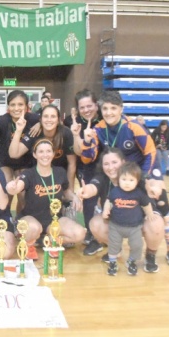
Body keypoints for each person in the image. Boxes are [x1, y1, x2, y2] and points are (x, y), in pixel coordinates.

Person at [76, 147, 169, 272]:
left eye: (114, 162)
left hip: (139, 224)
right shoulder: (102, 178)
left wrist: (155, 187)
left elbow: (151, 182)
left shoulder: (136, 176)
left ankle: (150, 255)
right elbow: (93, 186)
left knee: (156, 223)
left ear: (123, 162)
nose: (110, 167)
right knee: (95, 224)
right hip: (117, 225)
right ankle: (116, 249)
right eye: (106, 164)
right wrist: (86, 191)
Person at [6, 139, 84, 260]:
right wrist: (11, 188)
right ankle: (29, 244)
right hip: (31, 219)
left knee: (80, 233)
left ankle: (52, 240)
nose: (45, 155)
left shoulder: (60, 172)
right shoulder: (29, 173)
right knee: (34, 228)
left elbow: (66, 191)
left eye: (48, 151)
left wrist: (75, 197)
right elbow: (17, 187)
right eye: (41, 151)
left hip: (54, 220)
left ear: (53, 154)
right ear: (34, 154)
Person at [63, 89, 102, 255]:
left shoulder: (103, 121)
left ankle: (106, 235)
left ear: (96, 105)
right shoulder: (73, 122)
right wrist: (77, 135)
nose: (86, 110)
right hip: (85, 166)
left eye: (89, 106)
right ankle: (94, 237)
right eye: (82, 107)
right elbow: (78, 153)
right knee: (88, 200)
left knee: (107, 201)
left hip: (105, 165)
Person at [9, 105, 77, 195]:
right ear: (40, 119)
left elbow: (72, 163)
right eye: (45, 116)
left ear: (58, 120)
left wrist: (69, 190)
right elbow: (14, 154)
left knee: (62, 202)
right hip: (37, 174)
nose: (49, 119)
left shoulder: (66, 133)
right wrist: (18, 130)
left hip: (59, 174)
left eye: (53, 116)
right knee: (23, 196)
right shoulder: (35, 132)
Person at [102, 162, 156, 276]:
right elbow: (109, 201)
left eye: (131, 180)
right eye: (124, 179)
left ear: (137, 181)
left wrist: (150, 213)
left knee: (137, 246)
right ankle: (112, 263)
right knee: (113, 246)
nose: (127, 183)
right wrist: (106, 210)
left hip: (135, 227)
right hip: (116, 226)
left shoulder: (139, 193)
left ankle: (131, 261)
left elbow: (146, 204)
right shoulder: (115, 191)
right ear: (119, 179)